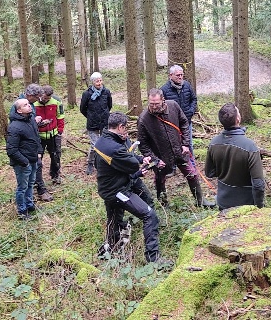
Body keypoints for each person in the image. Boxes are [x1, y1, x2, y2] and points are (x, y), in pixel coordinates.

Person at [93, 112, 161, 263]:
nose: (127, 132)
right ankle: (153, 259)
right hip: (116, 191)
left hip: (108, 187)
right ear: (120, 127)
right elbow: (130, 165)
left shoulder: (101, 141)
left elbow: (120, 166)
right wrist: (138, 167)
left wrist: (140, 162)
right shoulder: (115, 148)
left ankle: (109, 250)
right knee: (149, 215)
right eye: (126, 129)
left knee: (114, 221)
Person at [136, 89, 205, 207]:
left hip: (180, 151)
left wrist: (185, 144)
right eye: (151, 103)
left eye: (156, 103)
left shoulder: (173, 105)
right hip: (161, 157)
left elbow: (184, 123)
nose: (153, 106)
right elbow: (143, 144)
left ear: (163, 100)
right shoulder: (143, 119)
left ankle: (201, 202)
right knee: (160, 180)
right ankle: (164, 206)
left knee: (192, 175)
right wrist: (155, 160)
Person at [205, 102, 267, 211]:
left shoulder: (213, 143)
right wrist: (259, 207)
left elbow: (209, 173)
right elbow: (258, 184)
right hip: (246, 205)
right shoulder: (249, 146)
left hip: (223, 203)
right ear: (238, 119)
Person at [6, 98, 41, 219]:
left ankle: (29, 204)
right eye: (25, 105)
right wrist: (24, 162)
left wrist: (39, 152)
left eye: (29, 104)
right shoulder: (14, 127)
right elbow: (11, 149)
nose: (29, 106)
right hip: (22, 163)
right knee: (22, 187)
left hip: (33, 159)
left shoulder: (31, 120)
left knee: (31, 184)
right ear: (19, 110)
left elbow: (36, 137)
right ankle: (22, 210)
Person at [80, 72, 113, 175]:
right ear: (93, 82)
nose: (99, 83)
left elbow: (109, 105)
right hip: (92, 124)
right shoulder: (87, 94)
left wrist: (104, 115)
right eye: (96, 81)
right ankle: (90, 163)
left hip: (104, 122)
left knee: (104, 144)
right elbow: (82, 109)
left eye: (100, 80)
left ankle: (103, 163)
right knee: (95, 145)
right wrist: (91, 116)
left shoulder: (106, 92)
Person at [34, 85, 65, 191]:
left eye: (48, 98)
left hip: (53, 134)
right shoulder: (34, 103)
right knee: (38, 157)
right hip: (39, 136)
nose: (46, 100)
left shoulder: (56, 101)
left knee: (55, 155)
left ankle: (55, 175)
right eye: (44, 97)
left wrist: (60, 130)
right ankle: (36, 180)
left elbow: (60, 116)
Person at [161, 64, 198, 149]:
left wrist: (191, 111)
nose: (180, 77)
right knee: (175, 145)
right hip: (173, 124)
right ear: (171, 75)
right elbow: (162, 107)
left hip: (187, 121)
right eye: (178, 75)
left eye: (181, 75)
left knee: (189, 145)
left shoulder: (187, 86)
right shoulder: (164, 90)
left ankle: (191, 162)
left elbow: (194, 99)